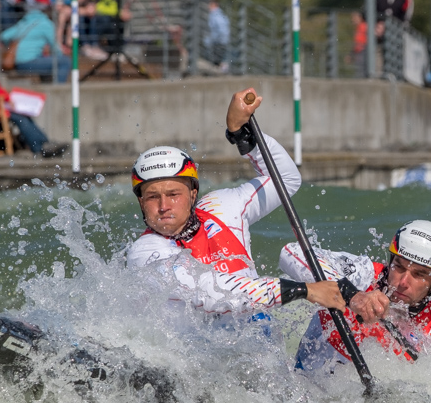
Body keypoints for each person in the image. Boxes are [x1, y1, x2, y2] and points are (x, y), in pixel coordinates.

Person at [126, 88, 345, 316]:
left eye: (173, 194)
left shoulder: (221, 206)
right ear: (141, 202)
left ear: (193, 194)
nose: (163, 206)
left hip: (260, 340)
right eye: (153, 197)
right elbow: (211, 293)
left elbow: (286, 180)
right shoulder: (145, 252)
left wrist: (241, 134)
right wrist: (302, 290)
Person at [279, 220, 431, 371]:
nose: (403, 282)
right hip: (301, 391)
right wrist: (352, 295)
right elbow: (290, 253)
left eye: (419, 274)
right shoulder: (362, 275)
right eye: (399, 266)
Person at [0, 40, 63, 157]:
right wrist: (4, 98)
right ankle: (38, 148)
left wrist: (8, 99)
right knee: (19, 118)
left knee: (24, 115)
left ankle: (44, 143)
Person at [0, 4, 71, 82]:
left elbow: (4, 36)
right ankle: (58, 87)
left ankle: (46, 87)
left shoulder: (23, 23)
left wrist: (9, 44)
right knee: (64, 61)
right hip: (30, 63)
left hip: (16, 63)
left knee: (46, 63)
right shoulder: (46, 23)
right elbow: (55, 47)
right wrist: (61, 53)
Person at [203, 0, 230, 70]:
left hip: (217, 43)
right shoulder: (216, 15)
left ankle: (224, 72)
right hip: (217, 42)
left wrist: (213, 41)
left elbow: (223, 31)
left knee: (217, 62)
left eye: (209, 4)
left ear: (213, 4)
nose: (208, 6)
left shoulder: (217, 15)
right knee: (217, 62)